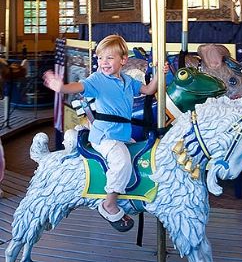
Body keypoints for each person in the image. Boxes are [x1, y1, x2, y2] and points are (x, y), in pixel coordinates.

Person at [43, 34, 168, 232]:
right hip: (105, 135)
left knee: (142, 152)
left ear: (123, 60)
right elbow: (79, 86)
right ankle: (109, 203)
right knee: (122, 160)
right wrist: (62, 87)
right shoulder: (97, 80)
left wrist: (160, 74)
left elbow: (149, 90)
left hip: (122, 134)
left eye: (109, 58)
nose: (104, 62)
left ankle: (136, 195)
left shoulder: (128, 81)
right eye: (101, 58)